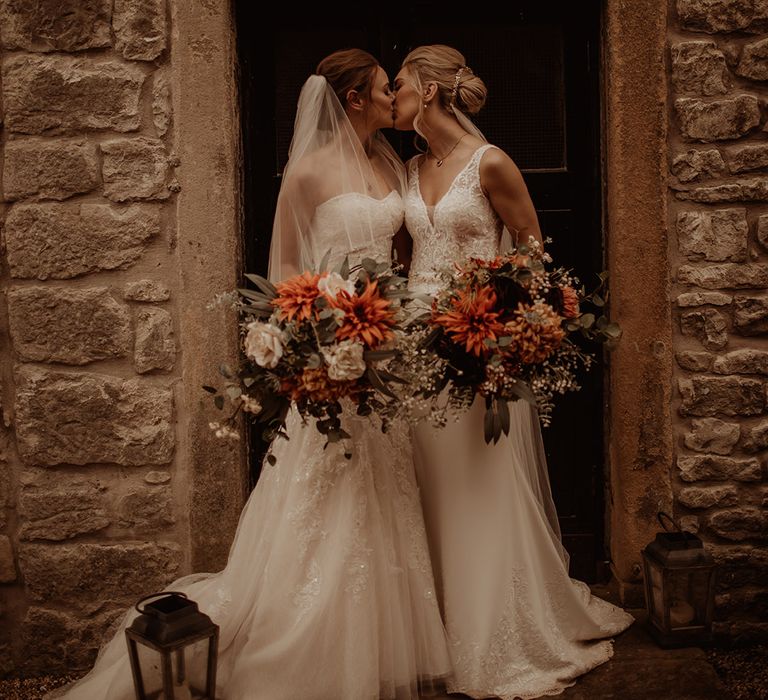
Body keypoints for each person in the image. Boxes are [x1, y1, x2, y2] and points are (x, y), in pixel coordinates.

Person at [52, 48, 450, 700]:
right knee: (328, 493)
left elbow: (399, 256)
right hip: (328, 354)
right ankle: (305, 646)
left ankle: (387, 641)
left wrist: (394, 322)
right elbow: (284, 279)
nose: (391, 99)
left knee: (385, 489)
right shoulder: (308, 175)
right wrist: (311, 347)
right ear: (352, 99)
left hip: (382, 350)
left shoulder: (386, 162)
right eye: (382, 90)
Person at [393, 44, 634, 700]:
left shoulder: (490, 162)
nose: (392, 96)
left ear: (429, 90)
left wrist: (508, 331)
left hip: (482, 350)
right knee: (429, 486)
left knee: (479, 485)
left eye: (400, 85)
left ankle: (495, 631)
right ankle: (437, 626)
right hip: (420, 355)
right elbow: (407, 259)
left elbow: (532, 253)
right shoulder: (410, 168)